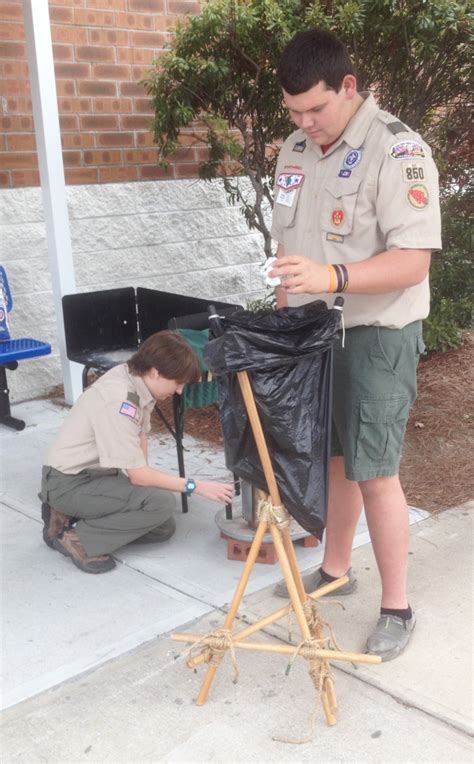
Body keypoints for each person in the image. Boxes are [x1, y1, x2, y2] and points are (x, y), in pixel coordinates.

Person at [270, 29, 441, 660]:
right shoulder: (295, 148)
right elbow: (291, 246)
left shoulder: (397, 150)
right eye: (293, 112)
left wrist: (331, 277)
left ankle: (397, 606)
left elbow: (413, 262)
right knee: (335, 460)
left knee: (375, 471)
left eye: (316, 108)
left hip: (376, 334)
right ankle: (335, 571)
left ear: (349, 87)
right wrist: (289, 315)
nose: (305, 123)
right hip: (314, 335)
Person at [40, 331, 234, 574]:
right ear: (156, 372)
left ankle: (65, 516)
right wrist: (196, 486)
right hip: (69, 482)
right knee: (161, 503)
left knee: (162, 526)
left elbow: (140, 437)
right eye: (178, 382)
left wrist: (144, 483)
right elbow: (138, 476)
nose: (180, 391)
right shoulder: (118, 401)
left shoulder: (135, 380)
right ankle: (77, 538)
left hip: (98, 476)